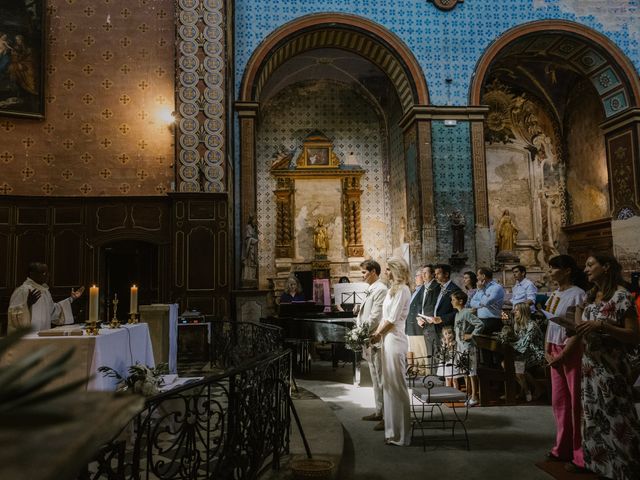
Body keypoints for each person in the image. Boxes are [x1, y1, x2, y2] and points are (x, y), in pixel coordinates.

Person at [575, 254, 640, 479]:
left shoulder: (622, 296)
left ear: (606, 267)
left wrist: (603, 326)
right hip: (589, 367)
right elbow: (582, 326)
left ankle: (624, 469)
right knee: (593, 418)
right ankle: (599, 468)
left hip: (611, 368)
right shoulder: (591, 296)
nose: (586, 269)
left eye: (590, 265)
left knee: (617, 418)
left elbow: (633, 336)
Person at [542, 254, 587, 470]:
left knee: (575, 401)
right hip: (553, 347)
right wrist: (547, 350)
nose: (549, 272)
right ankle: (562, 447)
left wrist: (562, 354)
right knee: (559, 402)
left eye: (553, 268)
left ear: (567, 270)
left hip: (570, 349)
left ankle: (579, 453)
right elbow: (550, 323)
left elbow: (578, 329)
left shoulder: (578, 294)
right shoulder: (554, 293)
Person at [370, 257, 411, 446]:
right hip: (387, 340)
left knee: (397, 386)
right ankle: (391, 431)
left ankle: (401, 435)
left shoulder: (403, 290)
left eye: (388, 269)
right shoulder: (391, 290)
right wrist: (373, 334)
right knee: (387, 385)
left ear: (396, 270)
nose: (385, 272)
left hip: (395, 340)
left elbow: (392, 319)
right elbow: (384, 317)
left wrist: (377, 334)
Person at [356, 259, 388, 430]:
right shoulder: (371, 289)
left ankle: (386, 415)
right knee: (375, 379)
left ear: (374, 271)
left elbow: (375, 316)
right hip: (368, 339)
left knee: (382, 378)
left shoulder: (381, 289)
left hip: (376, 339)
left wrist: (359, 332)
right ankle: (379, 411)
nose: (362, 275)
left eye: (364, 272)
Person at [8, 262, 84, 333]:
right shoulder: (23, 290)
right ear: (32, 274)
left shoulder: (45, 291)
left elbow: (54, 311)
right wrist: (27, 304)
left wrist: (71, 299)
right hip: (27, 338)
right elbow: (13, 316)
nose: (47, 276)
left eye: (48, 273)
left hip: (42, 336)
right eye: (44, 273)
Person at [451, 290, 485, 406]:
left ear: (460, 301)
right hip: (460, 346)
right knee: (465, 371)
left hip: (468, 346)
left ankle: (475, 396)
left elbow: (480, 324)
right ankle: (469, 394)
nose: (451, 302)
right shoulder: (457, 314)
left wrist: (471, 335)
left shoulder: (466, 312)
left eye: (453, 300)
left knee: (471, 371)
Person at [509, 303, 545, 401]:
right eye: (514, 310)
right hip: (526, 353)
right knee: (505, 364)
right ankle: (525, 391)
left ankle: (537, 388)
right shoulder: (518, 324)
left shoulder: (531, 325)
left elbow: (524, 343)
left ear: (523, 312)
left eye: (517, 310)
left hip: (537, 353)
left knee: (517, 367)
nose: (514, 312)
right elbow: (518, 341)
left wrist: (510, 344)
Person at [423, 264, 461, 351]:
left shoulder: (454, 290)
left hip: (448, 329)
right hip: (437, 328)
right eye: (435, 274)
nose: (435, 276)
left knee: (448, 358)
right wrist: (432, 317)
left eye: (438, 274)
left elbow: (457, 311)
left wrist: (441, 319)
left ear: (446, 274)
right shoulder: (439, 288)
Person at [416, 264, 441, 364]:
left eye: (426, 273)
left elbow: (435, 304)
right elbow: (418, 304)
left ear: (432, 274)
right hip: (424, 322)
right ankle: (431, 374)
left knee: (436, 348)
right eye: (422, 273)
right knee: (429, 349)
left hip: (432, 321)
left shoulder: (436, 287)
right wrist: (418, 317)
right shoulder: (423, 287)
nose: (423, 275)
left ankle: (438, 373)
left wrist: (431, 317)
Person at [469, 267, 505, 333]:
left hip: (492, 321)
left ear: (483, 276)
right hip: (481, 320)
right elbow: (472, 302)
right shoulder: (481, 288)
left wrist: (481, 291)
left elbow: (487, 302)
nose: (477, 278)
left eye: (478, 275)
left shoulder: (496, 287)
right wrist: (480, 304)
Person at [406, 267, 428, 374]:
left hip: (418, 324)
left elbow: (421, 307)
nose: (415, 278)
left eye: (417, 275)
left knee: (422, 350)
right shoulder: (416, 290)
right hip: (411, 325)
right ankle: (418, 370)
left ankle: (424, 371)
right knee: (415, 350)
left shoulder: (424, 289)